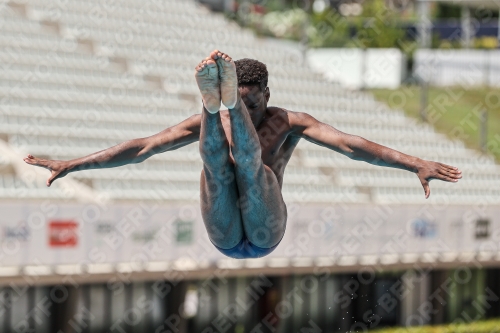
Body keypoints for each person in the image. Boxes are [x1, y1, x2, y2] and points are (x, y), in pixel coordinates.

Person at [24, 50, 462, 259]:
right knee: (215, 169)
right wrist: (73, 163)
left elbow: (353, 146)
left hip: (266, 227)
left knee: (255, 170)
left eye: (250, 103)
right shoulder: (211, 130)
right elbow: (143, 148)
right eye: (241, 102)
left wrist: (413, 164)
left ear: (266, 95)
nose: (251, 112)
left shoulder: (289, 121)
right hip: (226, 234)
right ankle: (211, 103)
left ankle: (219, 102)